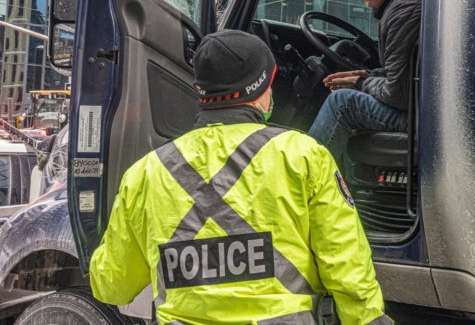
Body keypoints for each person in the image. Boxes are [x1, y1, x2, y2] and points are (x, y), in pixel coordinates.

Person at [89, 30, 393, 325]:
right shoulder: (301, 156)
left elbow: (112, 286)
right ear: (265, 87)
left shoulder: (145, 173)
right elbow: (346, 267)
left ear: (199, 90)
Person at [308, 0, 422, 164]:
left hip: (420, 116)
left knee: (341, 102)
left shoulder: (405, 10)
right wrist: (368, 77)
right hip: (422, 105)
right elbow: (399, 74)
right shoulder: (403, 0)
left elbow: (397, 94)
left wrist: (361, 83)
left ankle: (300, 185)